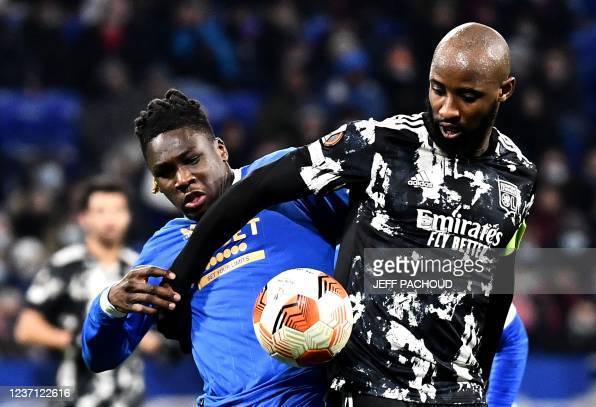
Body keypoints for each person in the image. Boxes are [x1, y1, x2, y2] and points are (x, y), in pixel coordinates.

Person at [159, 22, 538, 406]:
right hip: (372, 390)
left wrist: (484, 387)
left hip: (459, 393)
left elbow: (495, 283)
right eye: (438, 89)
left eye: (468, 97)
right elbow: (257, 188)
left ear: (504, 90)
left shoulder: (519, 177)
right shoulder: (379, 144)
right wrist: (180, 279)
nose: (447, 109)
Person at [81, 89, 349, 406]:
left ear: (220, 149)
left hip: (322, 394)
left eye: (192, 159)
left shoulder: (280, 178)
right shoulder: (165, 249)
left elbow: (377, 225)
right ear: (155, 184)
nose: (182, 179)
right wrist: (109, 305)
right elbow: (101, 358)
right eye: (165, 173)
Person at [14, 177, 161, 406]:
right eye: (101, 211)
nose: (111, 219)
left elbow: (158, 332)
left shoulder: (139, 267)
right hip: (76, 397)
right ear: (83, 218)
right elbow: (26, 329)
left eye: (118, 210)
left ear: (129, 216)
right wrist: (78, 340)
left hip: (130, 398)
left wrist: (152, 341)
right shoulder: (64, 265)